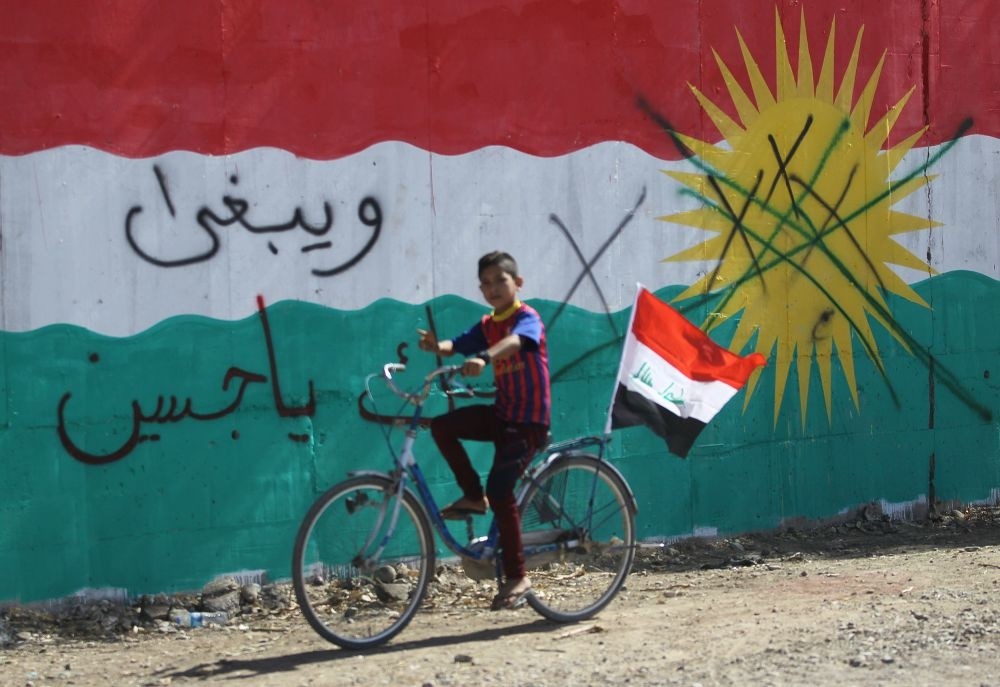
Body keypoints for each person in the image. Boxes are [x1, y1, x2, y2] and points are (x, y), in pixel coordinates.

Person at [417, 250, 551, 611]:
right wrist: (437, 346)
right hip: (503, 415)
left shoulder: (527, 318)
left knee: (501, 490)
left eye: (500, 281)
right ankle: (473, 497)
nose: (493, 288)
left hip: (528, 422)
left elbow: (514, 342)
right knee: (442, 426)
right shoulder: (488, 324)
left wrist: (484, 357)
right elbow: (457, 345)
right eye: (486, 284)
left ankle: (518, 576)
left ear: (517, 283)